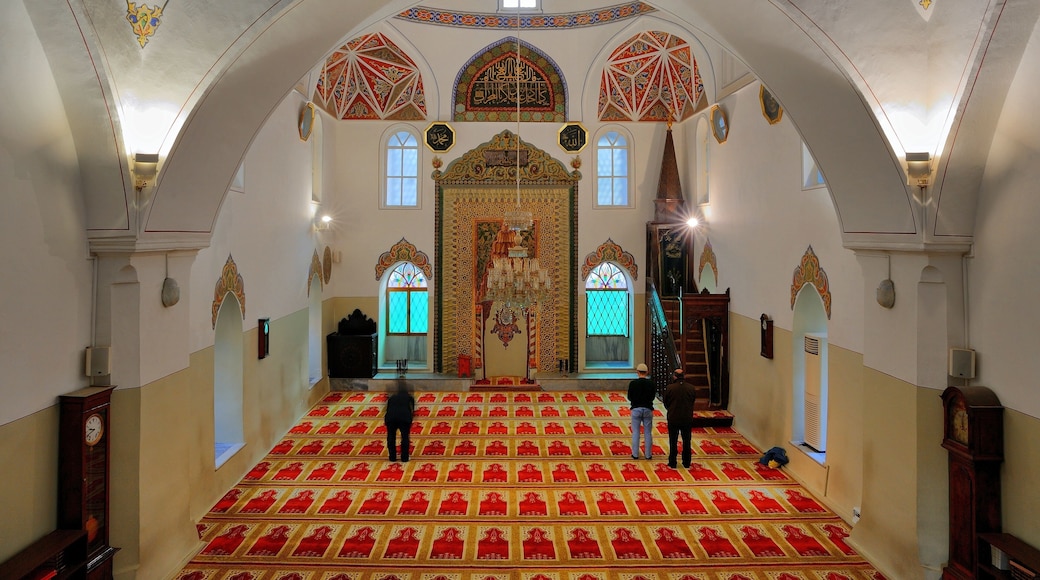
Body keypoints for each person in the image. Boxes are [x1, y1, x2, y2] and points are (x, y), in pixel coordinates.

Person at [664, 368, 697, 469]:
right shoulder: (691, 388)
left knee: (673, 440)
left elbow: (666, 403)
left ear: (674, 376)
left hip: (673, 417)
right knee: (687, 440)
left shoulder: (670, 388)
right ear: (684, 376)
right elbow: (692, 401)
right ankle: (686, 462)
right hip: (687, 418)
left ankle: (673, 462)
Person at [627, 363, 656, 460]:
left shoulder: (633, 384)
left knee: (636, 432)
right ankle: (648, 455)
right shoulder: (651, 384)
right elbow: (652, 397)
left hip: (636, 409)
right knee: (648, 432)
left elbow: (629, 397)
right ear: (647, 372)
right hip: (648, 409)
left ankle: (635, 454)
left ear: (637, 372)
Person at [384, 379, 415, 462]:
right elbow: (412, 410)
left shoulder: (392, 398)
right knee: (404, 437)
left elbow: (387, 409)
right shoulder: (409, 398)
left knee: (391, 437)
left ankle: (392, 457)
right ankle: (404, 458)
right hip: (404, 418)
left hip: (391, 418)